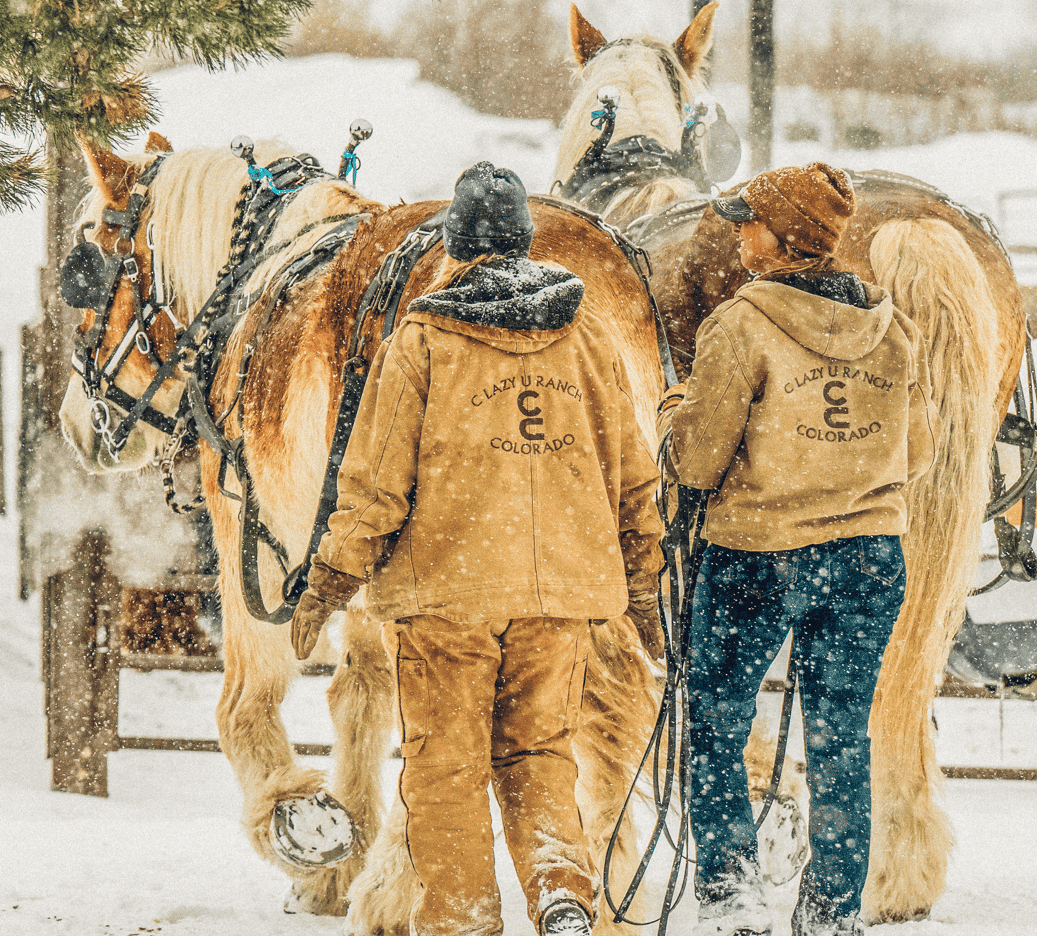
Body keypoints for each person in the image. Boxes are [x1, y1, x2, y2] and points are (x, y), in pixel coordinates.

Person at [291, 162, 667, 936]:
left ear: (454, 249)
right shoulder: (589, 337)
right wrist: (644, 591)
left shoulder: (424, 341)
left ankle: (463, 920)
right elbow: (633, 478)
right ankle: (561, 888)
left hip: (446, 600)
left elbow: (375, 486)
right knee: (538, 754)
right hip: (561, 599)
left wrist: (329, 581)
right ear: (527, 245)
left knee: (446, 769)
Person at [657, 162, 932, 936]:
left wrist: (676, 413)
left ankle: (732, 893)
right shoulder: (894, 327)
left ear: (783, 239)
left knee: (715, 720)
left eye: (749, 221)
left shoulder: (741, 324)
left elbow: (700, 461)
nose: (739, 233)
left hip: (758, 552)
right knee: (842, 734)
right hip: (870, 556)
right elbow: (917, 452)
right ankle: (832, 908)